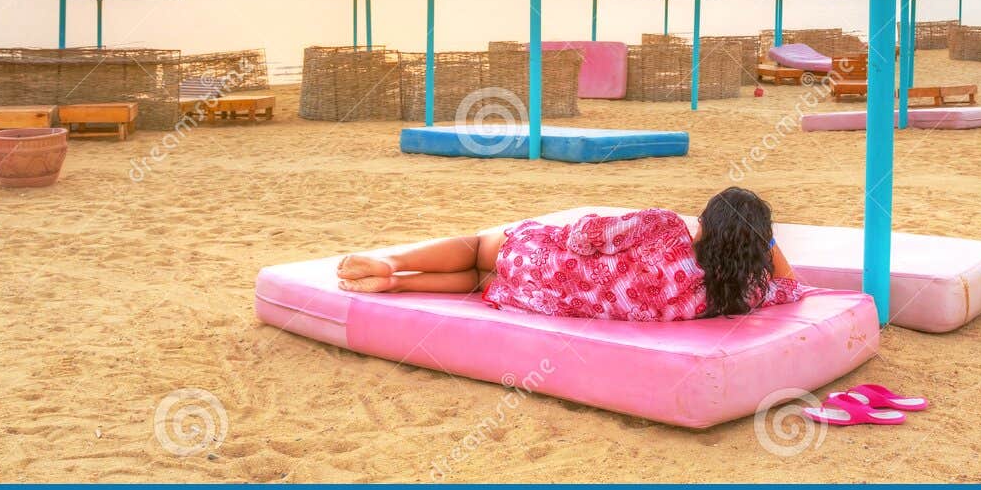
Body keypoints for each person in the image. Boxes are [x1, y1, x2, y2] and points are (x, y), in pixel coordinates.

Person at [335, 186, 807, 321]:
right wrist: (761, 244)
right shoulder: (738, 293)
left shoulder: (667, 227)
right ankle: (396, 284)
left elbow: (582, 236)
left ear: (709, 219)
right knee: (484, 285)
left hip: (543, 264)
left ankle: (392, 263)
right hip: (549, 301)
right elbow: (792, 286)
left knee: (484, 247)